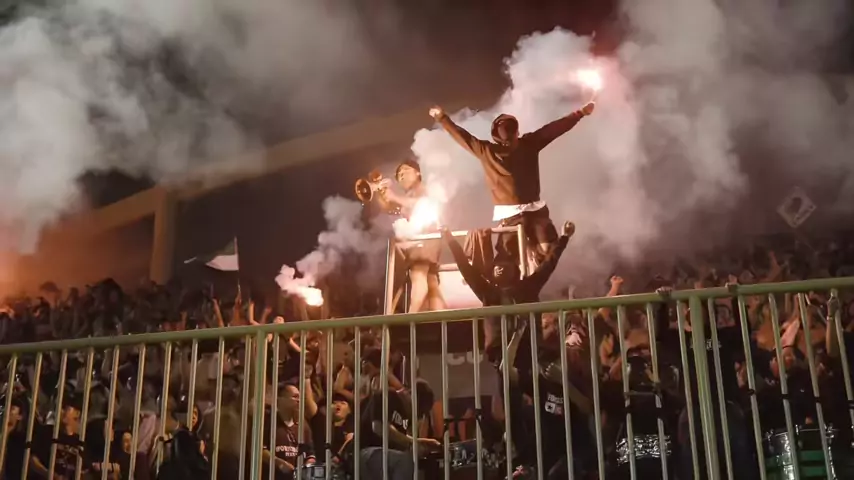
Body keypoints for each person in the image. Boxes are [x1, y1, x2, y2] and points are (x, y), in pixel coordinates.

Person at [429, 103, 595, 263]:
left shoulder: (500, 148)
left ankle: (532, 262)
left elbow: (463, 137)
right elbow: (553, 129)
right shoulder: (511, 147)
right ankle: (531, 263)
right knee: (524, 257)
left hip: (527, 212)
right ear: (516, 131)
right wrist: (579, 113)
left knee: (530, 255)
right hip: (519, 215)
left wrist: (442, 118)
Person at [380, 160, 447, 313]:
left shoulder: (422, 189)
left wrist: (394, 197)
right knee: (431, 281)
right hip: (426, 238)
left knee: (418, 275)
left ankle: (412, 317)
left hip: (424, 237)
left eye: (405, 170)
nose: (401, 175)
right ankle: (443, 319)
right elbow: (394, 209)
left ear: (418, 173)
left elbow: (423, 204)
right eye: (399, 174)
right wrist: (384, 195)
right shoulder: (409, 194)